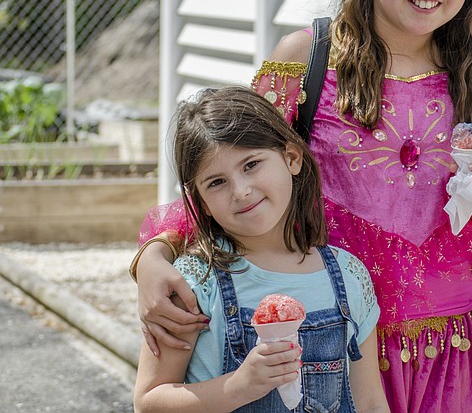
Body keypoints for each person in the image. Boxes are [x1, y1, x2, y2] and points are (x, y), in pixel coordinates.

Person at [131, 0, 472, 413]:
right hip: (328, 341)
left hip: (442, 349)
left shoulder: (470, 74)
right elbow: (232, 160)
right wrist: (154, 255)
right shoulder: (302, 55)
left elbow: (457, 220)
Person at [132, 87, 388, 413]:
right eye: (216, 182)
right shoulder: (195, 281)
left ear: (291, 158)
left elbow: (369, 402)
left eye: (251, 164)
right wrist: (238, 388)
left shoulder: (349, 275)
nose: (241, 191)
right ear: (202, 204)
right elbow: (148, 401)